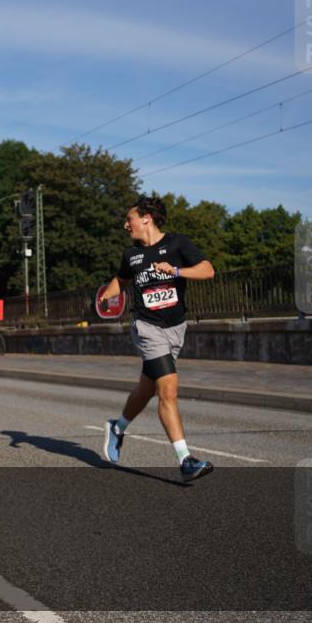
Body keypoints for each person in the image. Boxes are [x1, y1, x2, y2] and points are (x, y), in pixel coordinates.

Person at [100, 195, 216, 482]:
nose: (126, 225)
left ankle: (118, 427)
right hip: (146, 326)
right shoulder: (131, 255)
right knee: (168, 390)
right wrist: (104, 297)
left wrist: (176, 270)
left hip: (176, 327)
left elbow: (208, 270)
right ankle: (185, 460)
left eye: (130, 219)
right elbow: (121, 280)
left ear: (146, 218)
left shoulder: (177, 244)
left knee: (147, 389)